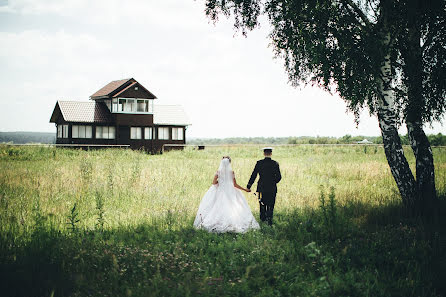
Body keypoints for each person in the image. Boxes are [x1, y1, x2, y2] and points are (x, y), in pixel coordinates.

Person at [193, 156, 260, 233]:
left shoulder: (218, 172)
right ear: (229, 163)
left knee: (218, 207)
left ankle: (218, 222)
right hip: (231, 192)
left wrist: (221, 183)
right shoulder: (231, 172)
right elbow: (235, 185)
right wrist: (245, 189)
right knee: (234, 207)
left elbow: (214, 183)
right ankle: (232, 222)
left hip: (221, 191)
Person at [247, 147, 282, 225]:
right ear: (271, 154)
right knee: (271, 204)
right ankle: (269, 220)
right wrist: (273, 182)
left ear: (264, 153)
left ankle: (263, 220)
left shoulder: (259, 163)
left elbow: (254, 175)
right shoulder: (275, 163)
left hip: (261, 187)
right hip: (272, 187)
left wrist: (249, 185)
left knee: (262, 203)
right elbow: (279, 177)